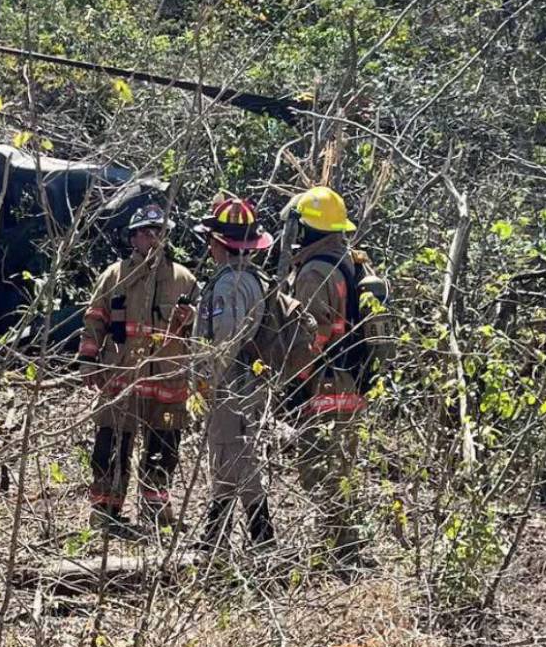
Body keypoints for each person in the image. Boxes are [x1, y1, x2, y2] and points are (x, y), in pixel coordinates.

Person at [78, 203, 198, 537]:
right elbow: (94, 319)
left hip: (167, 380)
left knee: (164, 448)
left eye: (159, 232)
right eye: (145, 233)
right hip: (122, 377)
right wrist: (88, 360)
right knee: (110, 445)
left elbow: (203, 332)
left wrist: (191, 320)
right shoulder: (114, 276)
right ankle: (106, 513)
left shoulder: (184, 280)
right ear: (133, 238)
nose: (152, 238)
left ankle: (156, 513)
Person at [282, 186, 369, 565]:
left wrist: (293, 384)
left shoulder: (313, 272)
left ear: (307, 229)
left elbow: (309, 337)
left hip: (325, 381)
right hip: (351, 380)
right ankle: (343, 541)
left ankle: (336, 546)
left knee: (317, 466)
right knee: (341, 466)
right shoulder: (348, 261)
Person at [194, 195, 275, 553]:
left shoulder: (229, 284)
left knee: (238, 458)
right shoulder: (252, 279)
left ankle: (262, 539)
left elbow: (224, 339)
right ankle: (215, 538)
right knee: (228, 458)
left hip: (231, 384)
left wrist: (206, 382)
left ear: (218, 242)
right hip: (244, 382)